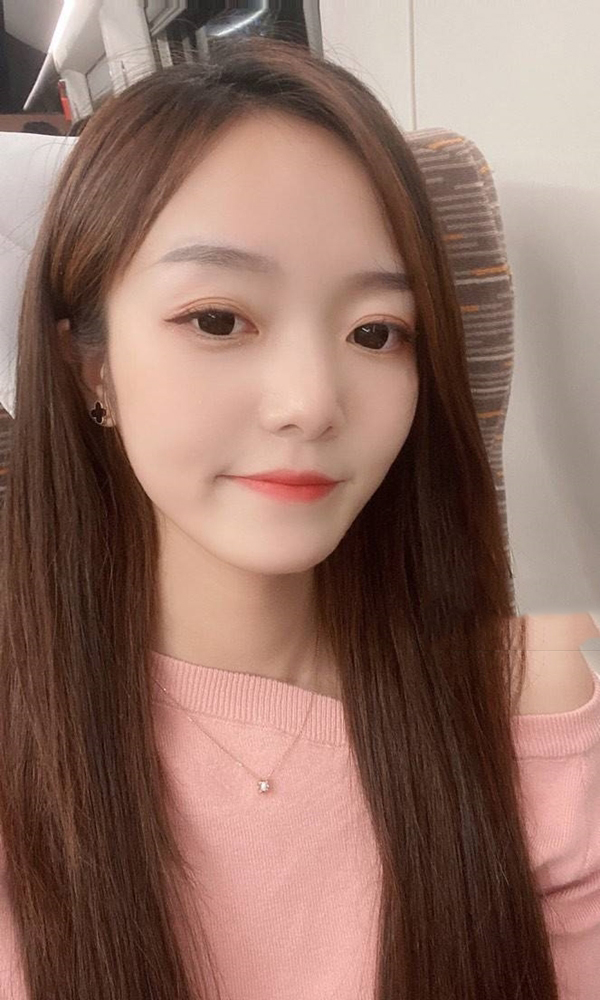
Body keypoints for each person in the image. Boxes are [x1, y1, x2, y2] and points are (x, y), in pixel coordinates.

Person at [0, 33, 598, 1000]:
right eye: (218, 319)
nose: (312, 402)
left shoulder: (532, 700)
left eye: (376, 332)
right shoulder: (26, 747)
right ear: (90, 368)